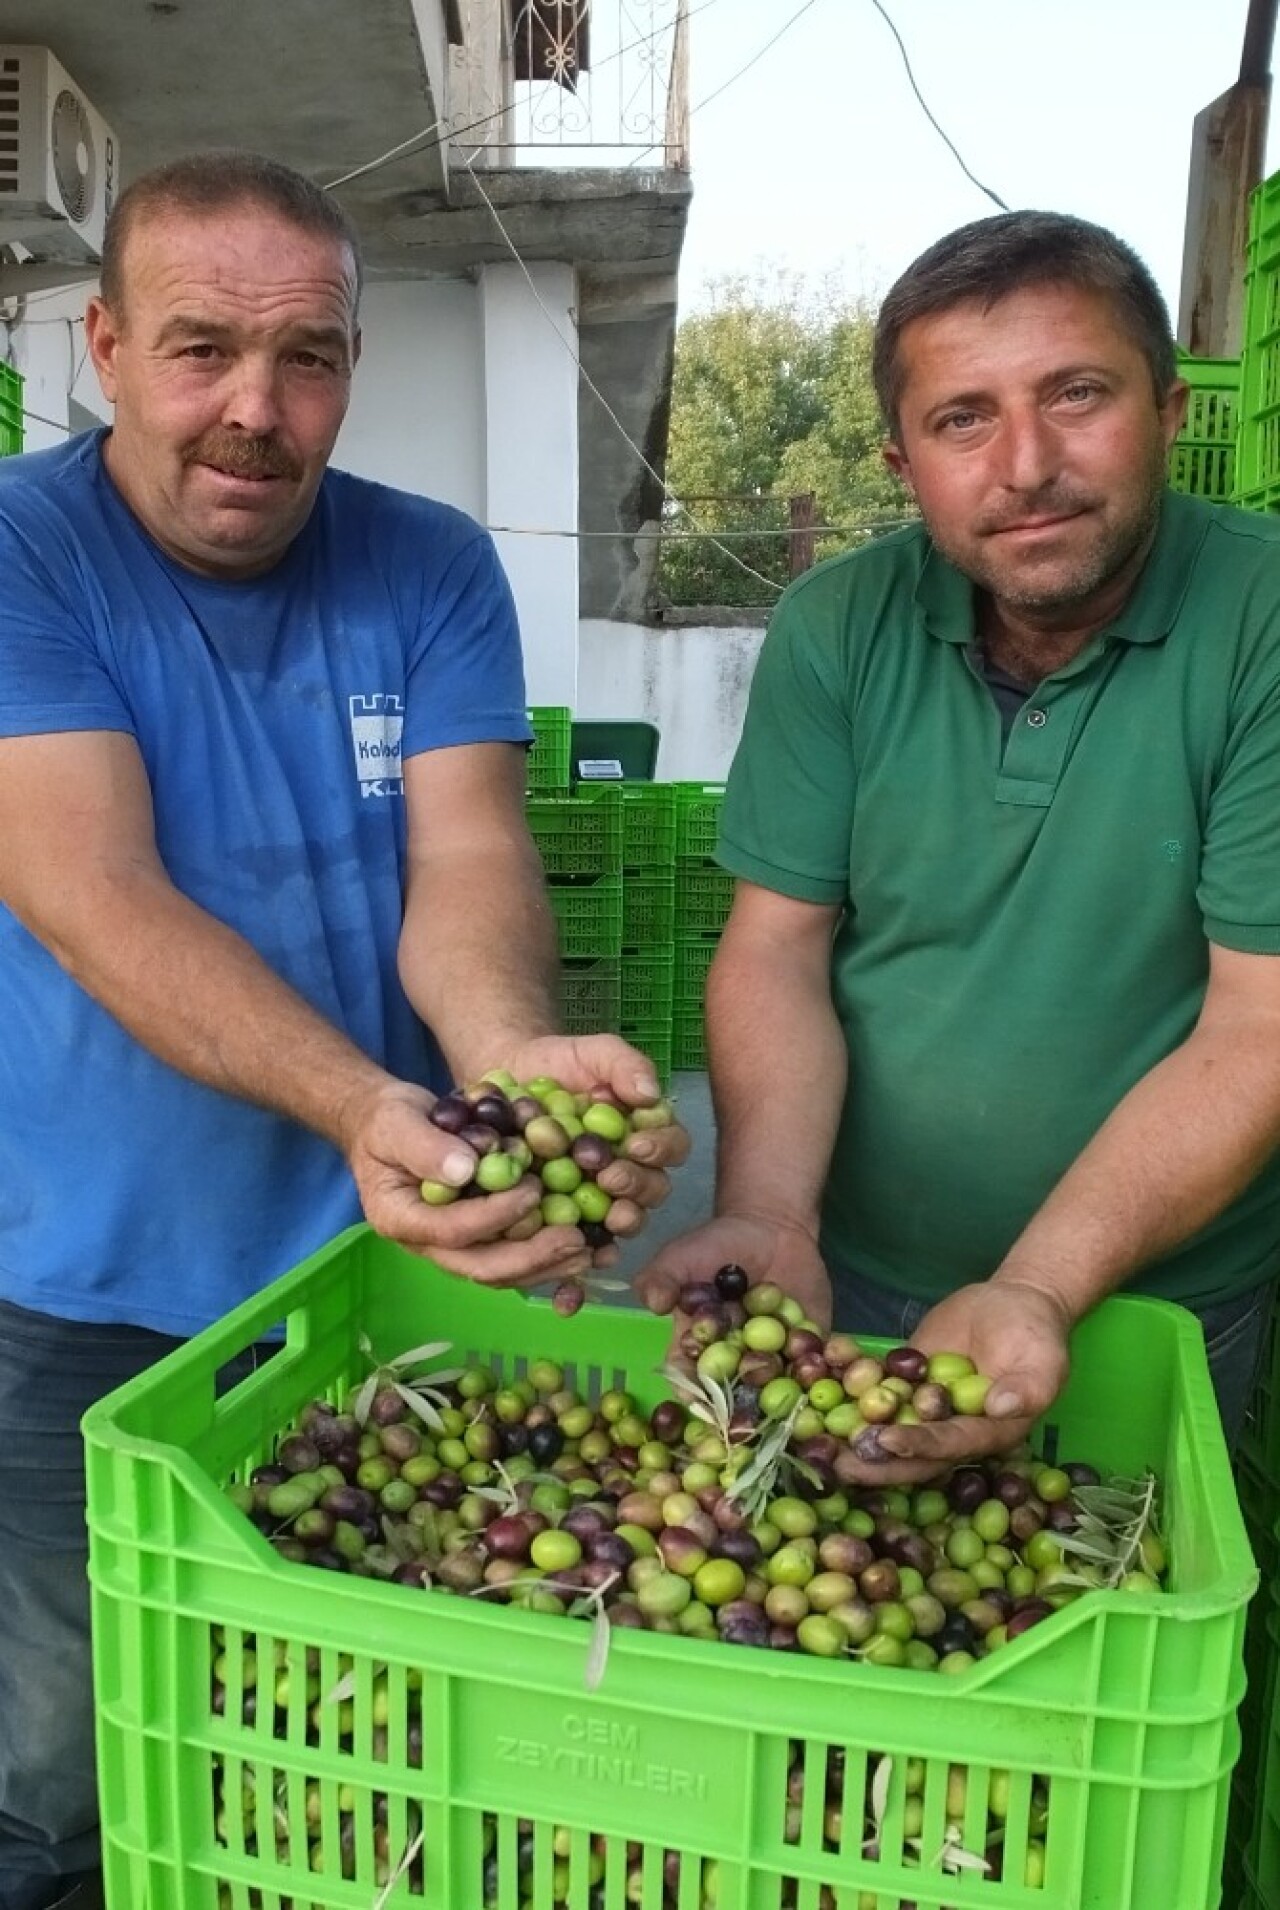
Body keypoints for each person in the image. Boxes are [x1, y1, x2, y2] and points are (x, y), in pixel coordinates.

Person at [0, 151, 686, 1910]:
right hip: (68, 1289)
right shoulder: (21, 552)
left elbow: (464, 860)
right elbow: (92, 888)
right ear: (100, 346)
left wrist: (506, 1053)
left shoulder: (434, 567)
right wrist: (370, 1095)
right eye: (201, 347)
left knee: (352, 1742)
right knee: (63, 1769)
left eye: (307, 356)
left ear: (356, 365)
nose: (255, 409)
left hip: (353, 1284)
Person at [639, 208, 1280, 1487]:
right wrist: (770, 1211)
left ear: (1164, 411)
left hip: (1154, 1300)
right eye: (961, 419)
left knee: (1080, 1628)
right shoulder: (837, 626)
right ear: (900, 459)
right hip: (858, 1265)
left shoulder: (1259, 617)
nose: (1024, 462)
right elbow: (777, 947)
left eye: (1076, 393)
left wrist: (1037, 1285)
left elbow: (1256, 1024)